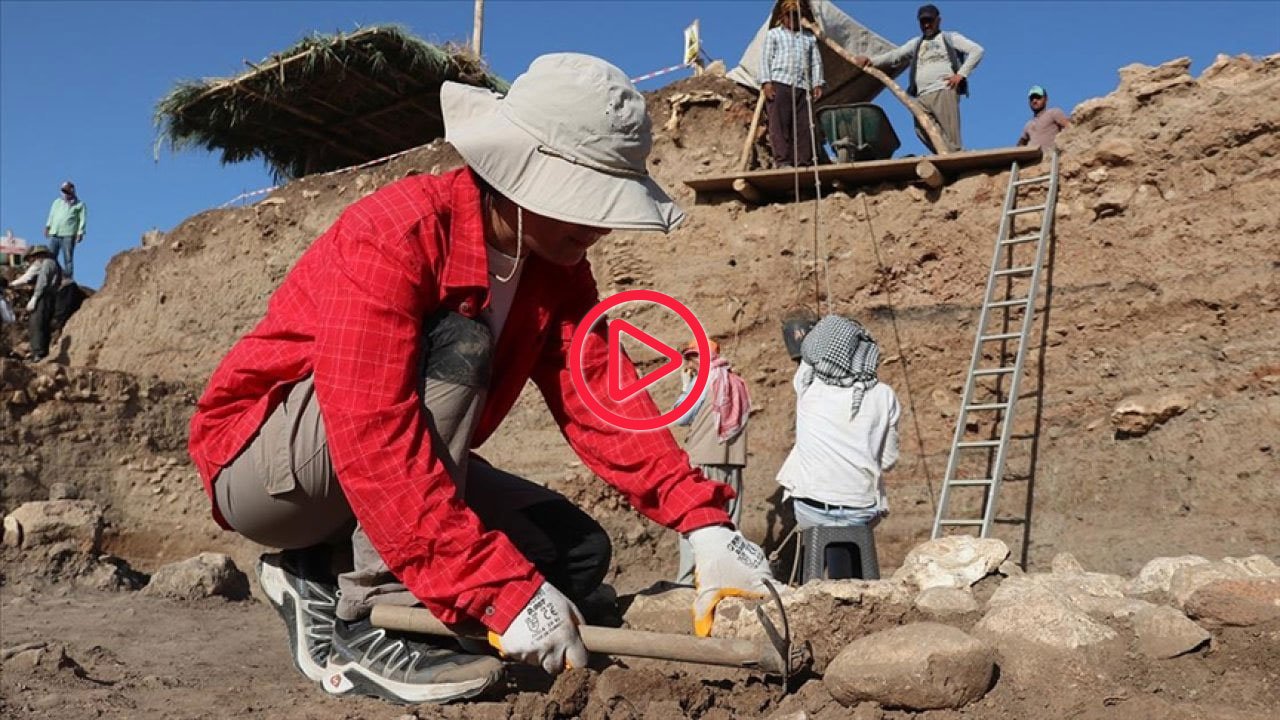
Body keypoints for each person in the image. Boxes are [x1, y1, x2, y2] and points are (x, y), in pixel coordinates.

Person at [187, 53, 773, 705]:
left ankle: (318, 573)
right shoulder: (395, 233)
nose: (602, 225)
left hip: (371, 467)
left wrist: (704, 525)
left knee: (575, 555)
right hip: (273, 476)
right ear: (521, 173)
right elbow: (373, 433)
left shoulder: (555, 270)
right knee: (459, 337)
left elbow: (601, 394)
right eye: (587, 197)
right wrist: (503, 592)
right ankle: (371, 618)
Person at [776, 315, 899, 579]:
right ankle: (852, 584)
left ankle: (817, 584)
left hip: (810, 509)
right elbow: (888, 460)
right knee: (854, 535)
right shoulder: (884, 395)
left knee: (818, 535)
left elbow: (808, 359)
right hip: (860, 509)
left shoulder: (807, 388)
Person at [671, 340, 751, 585]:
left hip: (703, 461)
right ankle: (727, 579)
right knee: (728, 524)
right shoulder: (737, 382)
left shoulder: (703, 381)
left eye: (692, 357)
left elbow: (680, 416)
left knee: (694, 520)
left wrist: (685, 388)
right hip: (733, 463)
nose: (690, 363)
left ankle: (686, 582)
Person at [855, 4, 984, 154]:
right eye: (923, 22)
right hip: (922, 94)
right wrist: (871, 61)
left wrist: (961, 74)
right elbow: (896, 55)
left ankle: (955, 155)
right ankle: (946, 154)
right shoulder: (917, 43)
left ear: (938, 20)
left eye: (930, 21)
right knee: (921, 128)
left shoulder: (948, 38)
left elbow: (977, 50)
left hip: (943, 89)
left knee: (950, 132)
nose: (927, 25)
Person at [759, 0, 825, 168]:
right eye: (790, 16)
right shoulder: (774, 34)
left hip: (803, 85)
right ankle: (783, 161)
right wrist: (766, 82)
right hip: (780, 83)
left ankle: (803, 162)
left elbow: (816, 63)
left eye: (796, 16)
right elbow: (765, 59)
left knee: (804, 126)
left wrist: (817, 83)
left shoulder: (809, 38)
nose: (794, 20)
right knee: (779, 125)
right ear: (783, 17)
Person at [10, 245, 62, 362]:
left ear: (40, 255)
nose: (33, 261)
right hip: (48, 297)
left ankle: (38, 353)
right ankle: (40, 352)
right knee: (41, 325)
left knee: (37, 324)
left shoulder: (47, 263)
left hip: (44, 297)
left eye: (33, 257)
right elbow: (29, 277)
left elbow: (42, 282)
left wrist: (35, 297)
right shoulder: (51, 264)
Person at [45, 181, 87, 281]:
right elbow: (52, 214)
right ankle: (50, 277)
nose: (65, 193)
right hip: (55, 233)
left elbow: (82, 219)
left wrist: (80, 232)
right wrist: (47, 226)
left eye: (66, 191)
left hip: (68, 234)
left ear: (72, 191)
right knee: (50, 257)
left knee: (68, 257)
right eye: (63, 191)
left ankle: (68, 278)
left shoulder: (79, 205)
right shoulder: (57, 202)